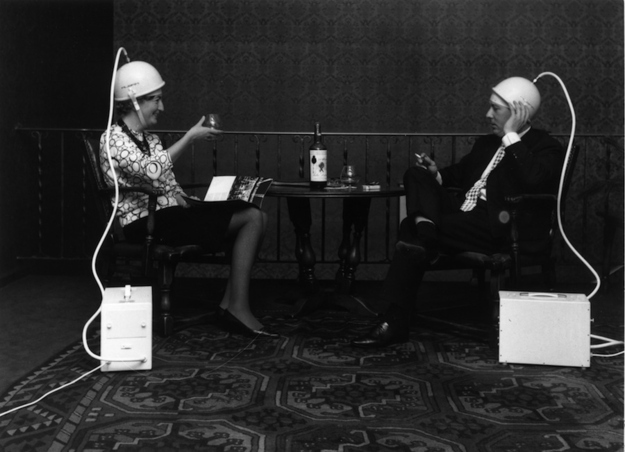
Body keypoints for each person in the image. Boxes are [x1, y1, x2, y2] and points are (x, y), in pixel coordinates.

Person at [351, 76, 565, 348]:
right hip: (465, 213)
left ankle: (394, 320)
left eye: (495, 109)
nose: (488, 114)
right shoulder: (486, 144)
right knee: (416, 174)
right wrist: (435, 174)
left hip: (498, 225)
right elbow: (460, 174)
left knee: (409, 228)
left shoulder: (545, 146)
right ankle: (427, 232)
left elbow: (534, 178)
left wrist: (511, 135)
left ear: (519, 112)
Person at [100, 60, 278, 338]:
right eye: (156, 100)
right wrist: (190, 137)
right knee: (252, 217)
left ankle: (229, 304)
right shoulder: (113, 139)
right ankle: (237, 308)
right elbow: (150, 170)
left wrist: (190, 200)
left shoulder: (151, 140)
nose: (161, 107)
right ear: (135, 102)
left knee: (258, 215)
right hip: (143, 225)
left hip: (168, 217)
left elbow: (169, 185)